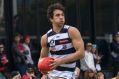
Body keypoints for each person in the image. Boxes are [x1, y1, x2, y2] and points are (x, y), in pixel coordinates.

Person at [40, 3, 84, 79]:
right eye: (57, 15)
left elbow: (81, 53)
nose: (61, 17)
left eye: (62, 15)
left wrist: (60, 61)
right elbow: (42, 58)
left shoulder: (72, 31)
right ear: (51, 19)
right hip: (51, 72)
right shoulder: (45, 37)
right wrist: (42, 69)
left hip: (68, 72)